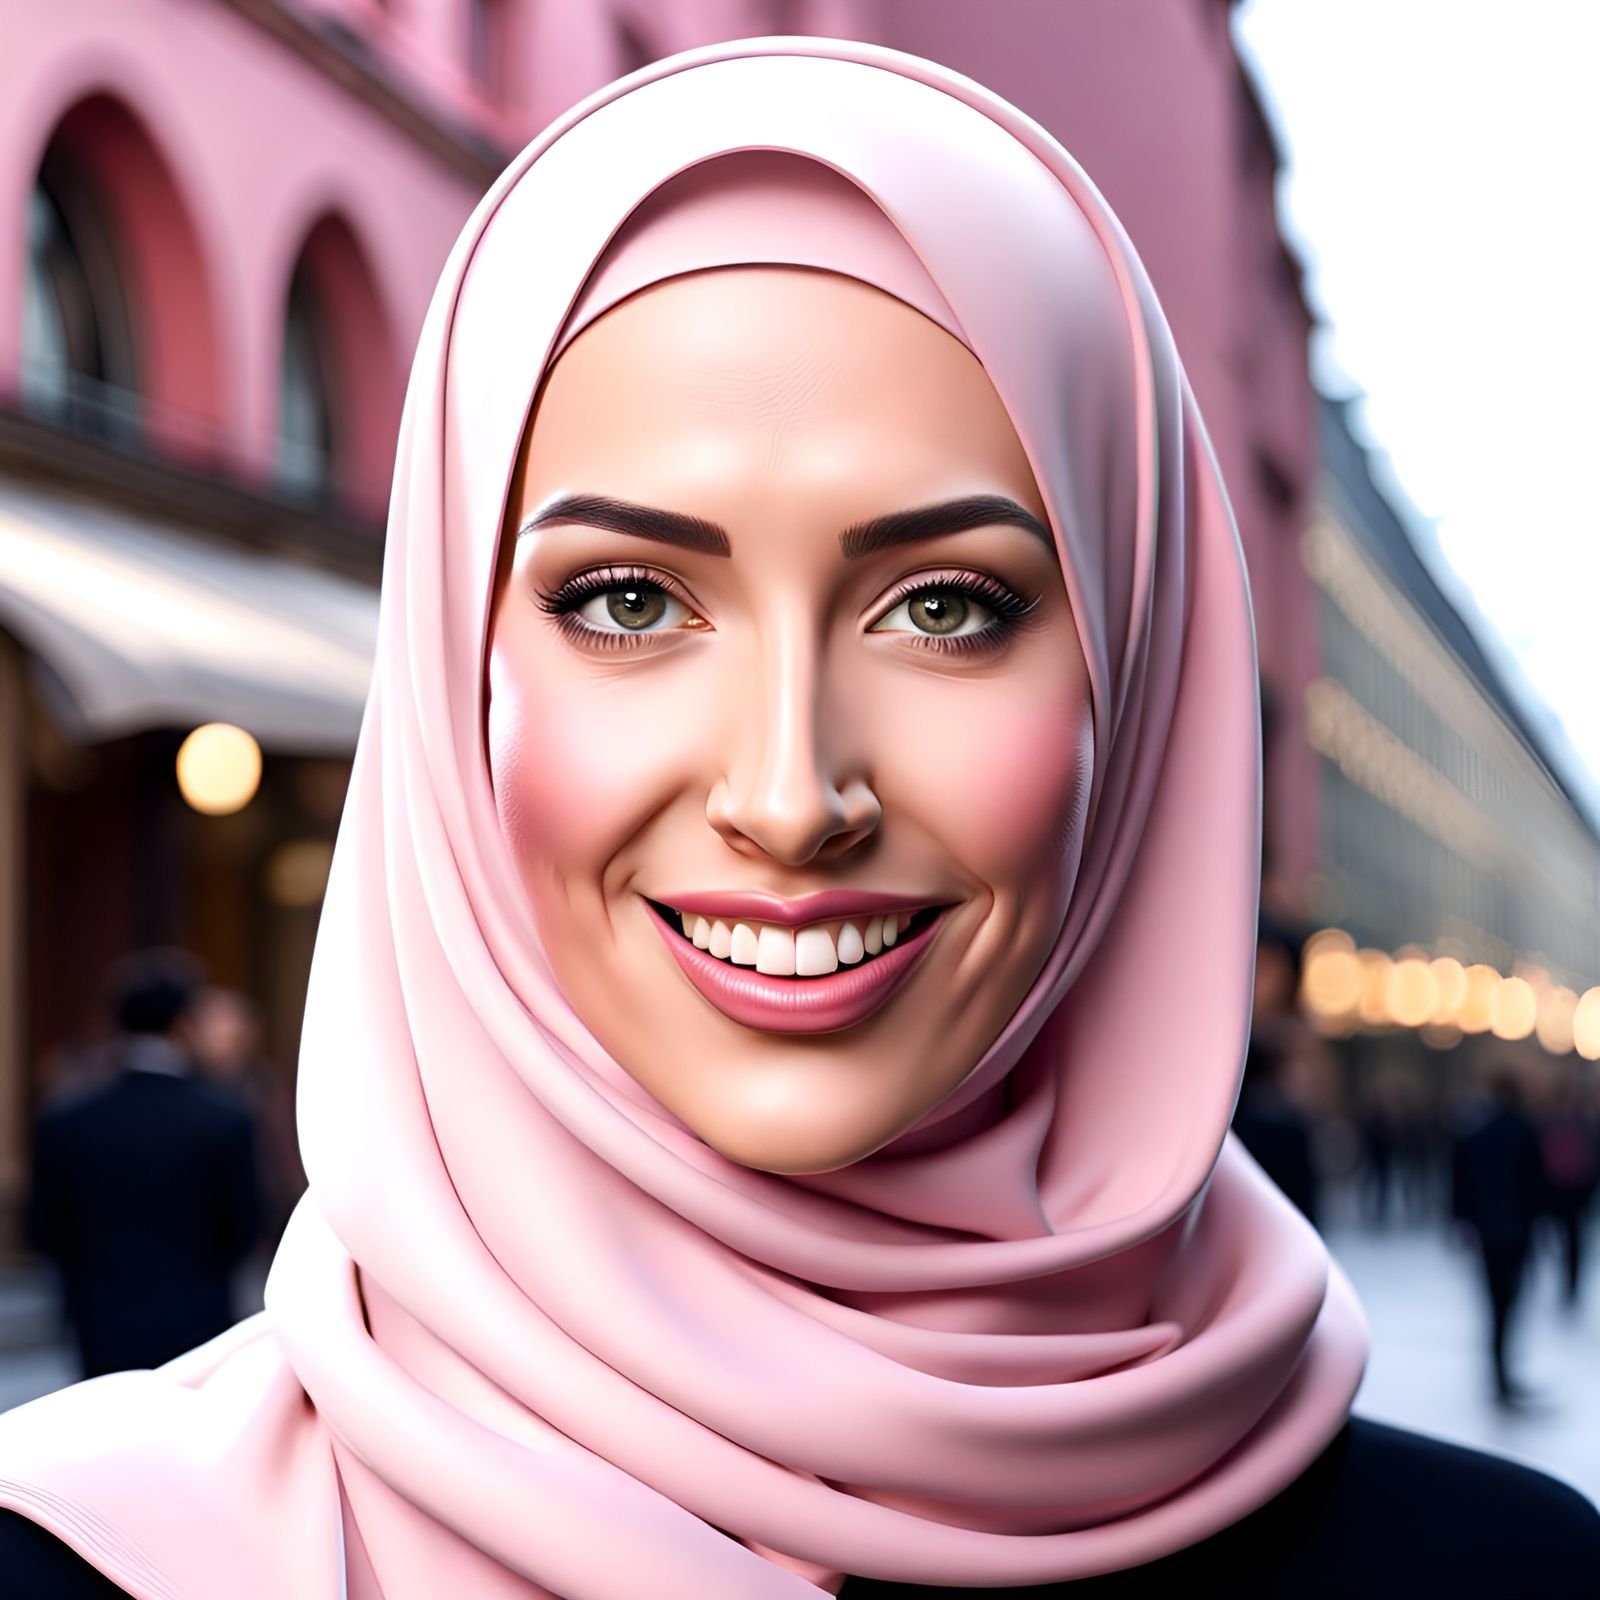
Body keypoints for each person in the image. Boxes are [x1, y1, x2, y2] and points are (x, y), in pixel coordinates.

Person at [0, 37, 1595, 1599]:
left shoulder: (1499, 1575)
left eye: (948, 608)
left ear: (1140, 678)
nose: (787, 796)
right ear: (451, 681)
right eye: (626, 600)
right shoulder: (83, 1558)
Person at [26, 950, 262, 1379]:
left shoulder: (67, 1120)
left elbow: (44, 1230)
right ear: (183, 1023)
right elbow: (244, 1228)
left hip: (100, 1320)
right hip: (197, 1320)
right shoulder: (224, 1120)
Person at [1451, 1063, 1548, 1404]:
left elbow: (1461, 1182)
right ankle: (1502, 1374)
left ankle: (1498, 1372)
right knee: (1509, 1303)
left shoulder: (1476, 1132)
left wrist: (1462, 1223)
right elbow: (1538, 1185)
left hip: (1489, 1232)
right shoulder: (1525, 1131)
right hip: (1516, 1232)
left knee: (1494, 1303)